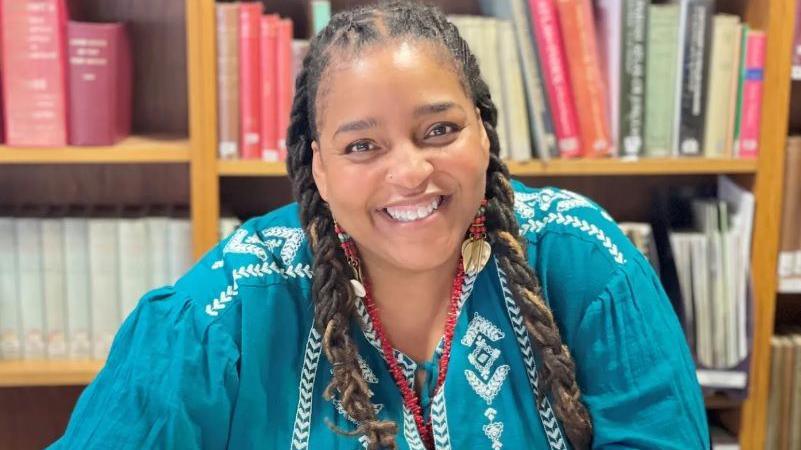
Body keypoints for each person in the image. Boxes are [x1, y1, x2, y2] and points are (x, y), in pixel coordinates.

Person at [49, 2, 709, 449]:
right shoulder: (231, 303)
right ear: (321, 171)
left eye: (440, 130)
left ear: (485, 134)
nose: (410, 172)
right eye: (362, 146)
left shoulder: (581, 257)